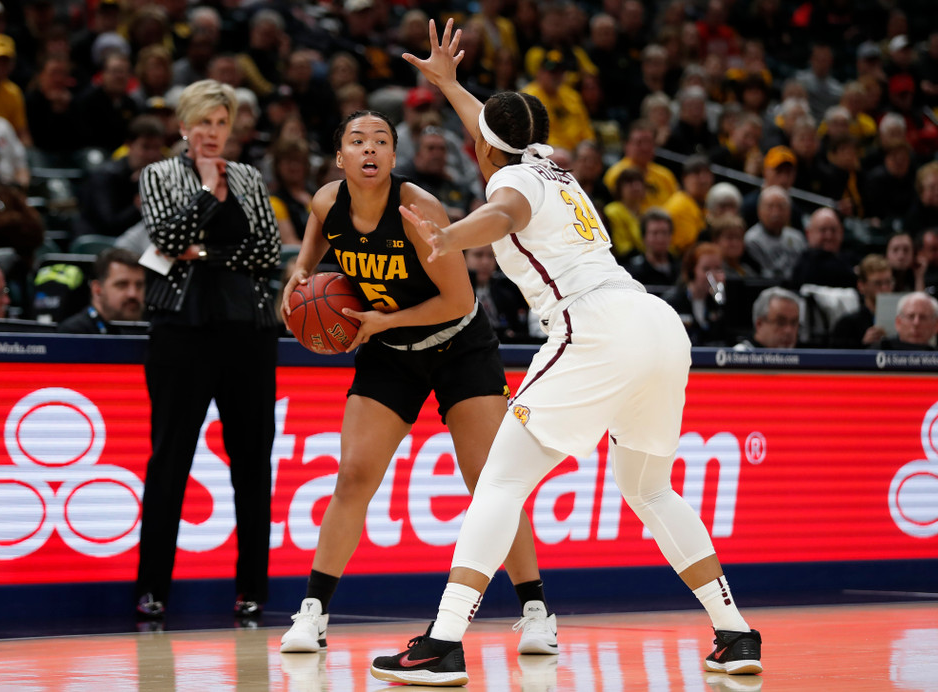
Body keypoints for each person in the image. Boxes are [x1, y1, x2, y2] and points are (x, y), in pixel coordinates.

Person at [370, 20, 761, 686]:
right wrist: (451, 86)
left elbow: (501, 216)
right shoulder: (543, 162)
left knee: (499, 483)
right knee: (648, 489)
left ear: (485, 148)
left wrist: (449, 237)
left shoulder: (512, 186)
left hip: (595, 329)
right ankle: (734, 631)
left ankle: (442, 642)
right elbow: (492, 130)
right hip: (658, 324)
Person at [278, 107, 555, 656]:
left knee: (490, 483)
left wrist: (383, 320)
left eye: (381, 140)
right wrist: (301, 275)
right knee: (354, 475)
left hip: (458, 344)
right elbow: (311, 248)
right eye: (357, 141)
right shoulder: (326, 201)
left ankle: (536, 611)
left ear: (393, 156)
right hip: (389, 352)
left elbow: (460, 299)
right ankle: (312, 613)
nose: (370, 149)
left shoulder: (417, 208)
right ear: (340, 158)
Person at [134, 80, 281, 621]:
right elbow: (167, 239)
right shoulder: (159, 173)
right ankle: (152, 590)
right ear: (183, 126)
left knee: (251, 461)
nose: (212, 133)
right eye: (203, 122)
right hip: (182, 327)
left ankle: (252, 590)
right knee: (170, 458)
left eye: (221, 122)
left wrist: (203, 252)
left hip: (249, 328)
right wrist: (204, 192)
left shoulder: (249, 176)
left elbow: (267, 249)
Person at [74, 115, 166, 238]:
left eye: (157, 148)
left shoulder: (161, 176)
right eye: (145, 147)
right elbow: (108, 224)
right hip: (100, 241)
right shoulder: (106, 176)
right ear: (129, 145)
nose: (152, 154)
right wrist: (138, 205)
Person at [57, 248, 146, 334]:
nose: (133, 294)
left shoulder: (152, 329)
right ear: (97, 289)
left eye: (139, 285)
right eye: (122, 285)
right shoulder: (73, 334)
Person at [744, 186, 806, 281]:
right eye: (770, 207)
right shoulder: (752, 240)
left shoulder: (797, 238)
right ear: (759, 210)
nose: (776, 213)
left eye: (781, 207)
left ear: (789, 211)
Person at [831, 254, 894, 348]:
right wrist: (863, 344)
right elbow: (836, 358)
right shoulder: (847, 325)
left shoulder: (906, 321)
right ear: (861, 286)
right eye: (877, 283)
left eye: (888, 282)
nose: (884, 288)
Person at [734, 286, 802, 350]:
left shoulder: (805, 359)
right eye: (781, 323)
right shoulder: (737, 357)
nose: (788, 331)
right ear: (759, 324)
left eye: (794, 323)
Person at [873, 292, 938, 350]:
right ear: (898, 322)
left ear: (935, 325)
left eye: (923, 317)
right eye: (911, 317)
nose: (916, 323)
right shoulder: (878, 351)